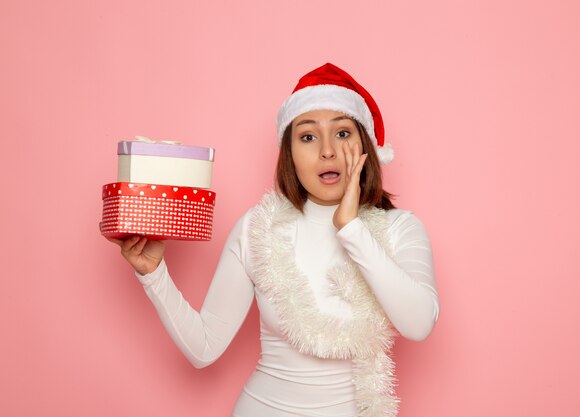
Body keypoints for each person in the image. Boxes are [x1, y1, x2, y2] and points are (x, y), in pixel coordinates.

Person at [106, 63, 440, 417]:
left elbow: (418, 324)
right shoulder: (257, 228)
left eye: (342, 133)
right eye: (307, 136)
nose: (327, 150)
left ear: (365, 148)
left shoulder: (400, 229)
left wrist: (351, 228)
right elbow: (204, 349)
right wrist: (154, 274)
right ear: (289, 155)